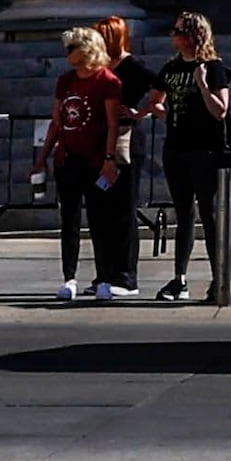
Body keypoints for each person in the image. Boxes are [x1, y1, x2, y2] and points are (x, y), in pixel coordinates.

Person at [155, 12, 231, 304]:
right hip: (176, 149)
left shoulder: (213, 68)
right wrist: (170, 117)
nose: (172, 35)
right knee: (184, 215)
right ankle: (180, 278)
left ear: (192, 35)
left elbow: (221, 110)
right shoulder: (170, 67)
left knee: (209, 213)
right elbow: (155, 100)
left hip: (205, 151)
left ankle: (220, 279)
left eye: (177, 30)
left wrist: (202, 85)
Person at [44, 26, 127, 301]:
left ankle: (104, 277)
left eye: (72, 48)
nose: (67, 53)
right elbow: (57, 121)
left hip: (95, 160)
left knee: (99, 220)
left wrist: (108, 158)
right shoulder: (65, 81)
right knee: (69, 220)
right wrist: (42, 156)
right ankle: (69, 277)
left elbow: (112, 124)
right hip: (67, 158)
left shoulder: (108, 81)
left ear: (86, 50)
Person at [96, 15, 156, 298]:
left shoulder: (133, 67)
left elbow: (161, 87)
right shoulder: (99, 67)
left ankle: (126, 275)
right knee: (103, 210)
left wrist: (140, 112)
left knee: (124, 210)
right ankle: (105, 273)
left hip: (126, 141)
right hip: (102, 139)